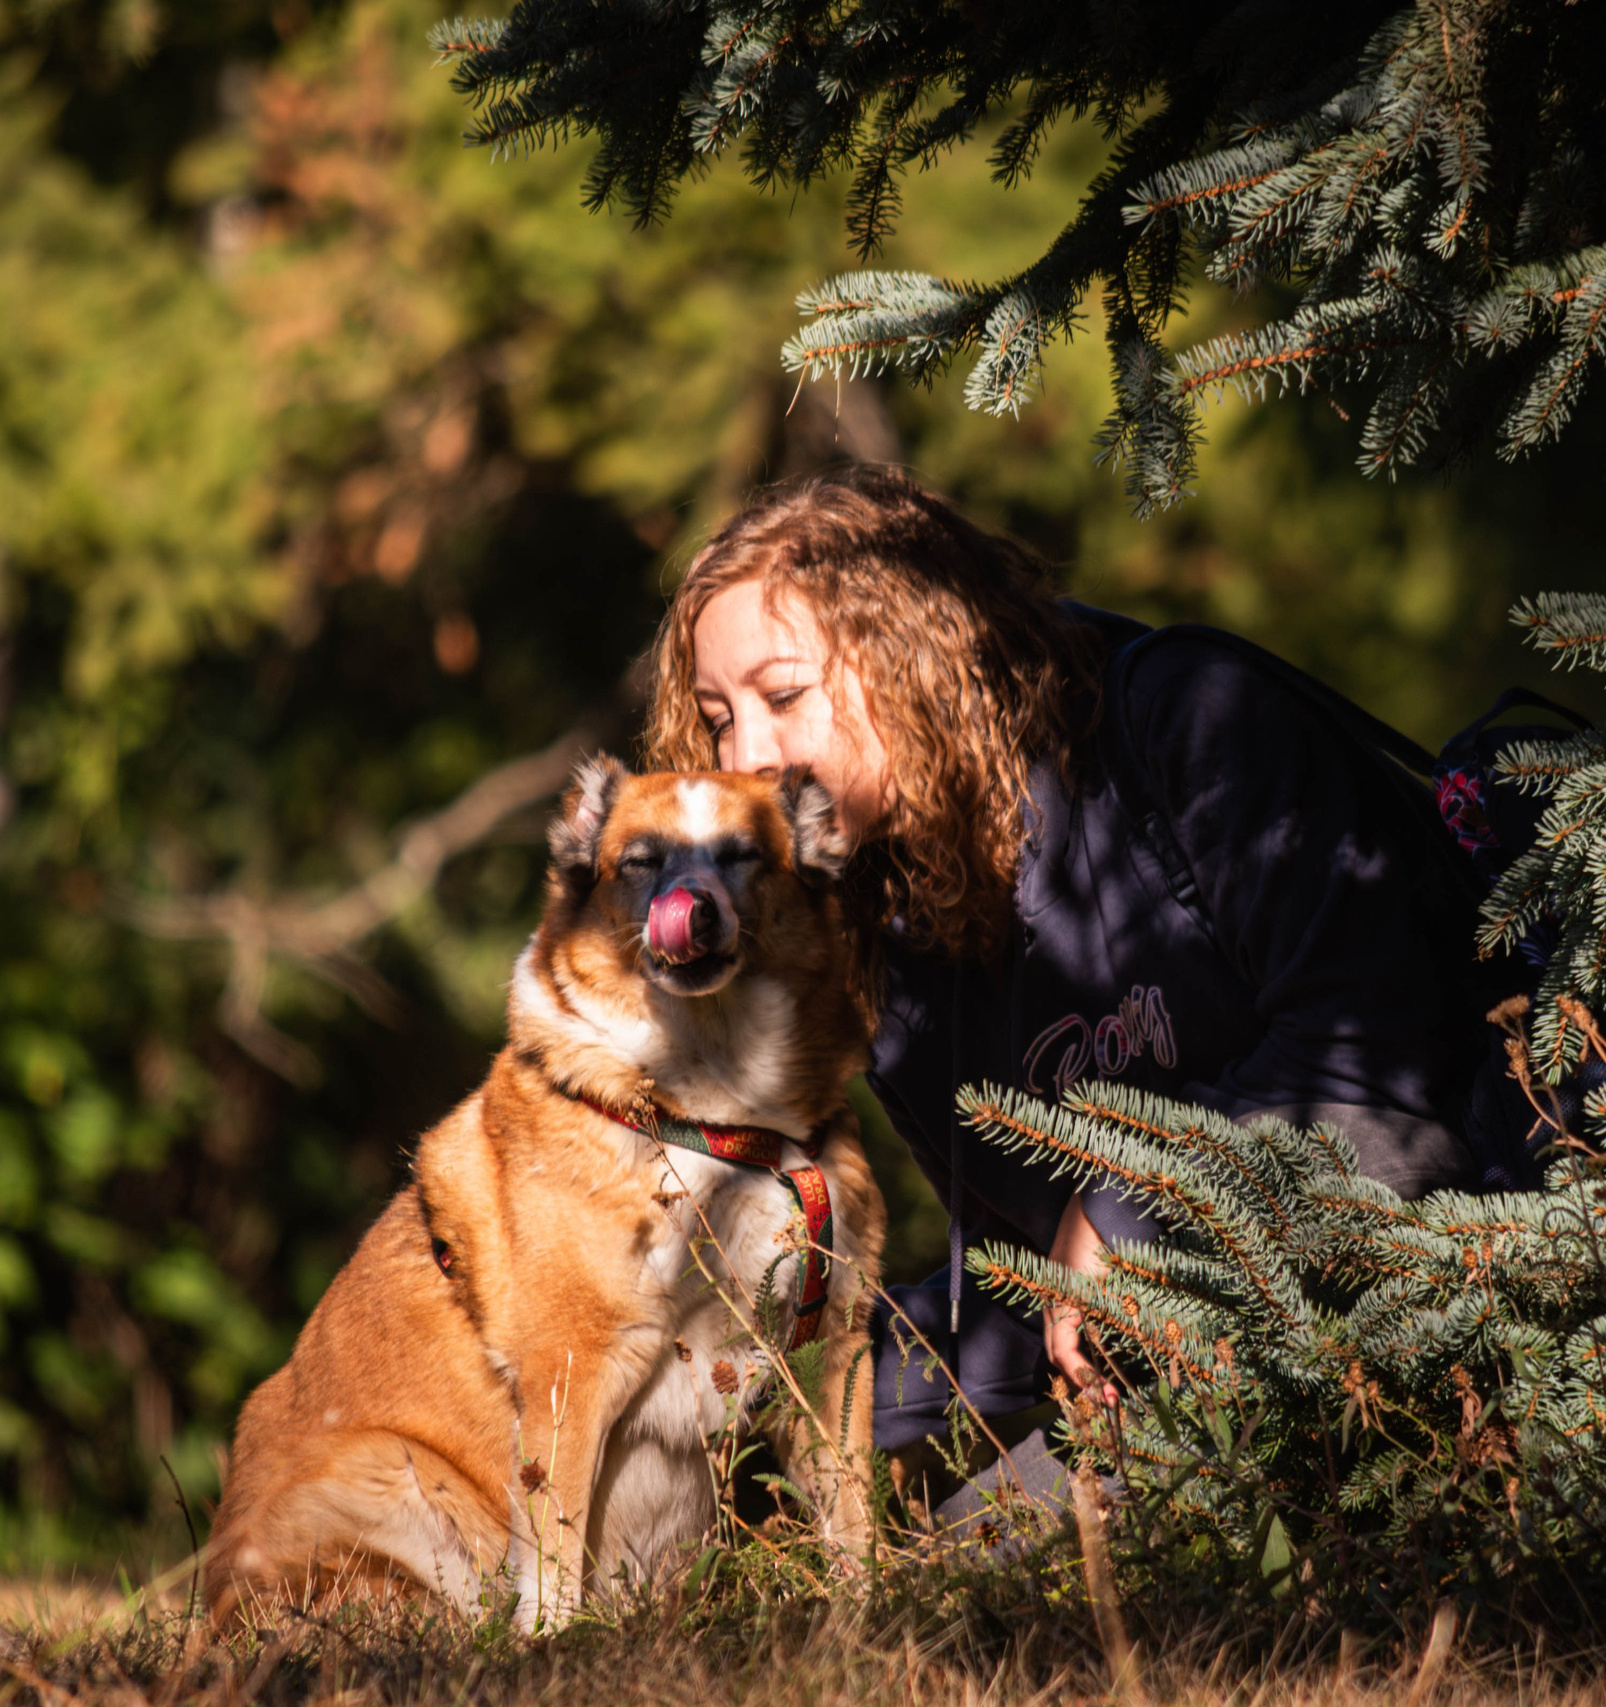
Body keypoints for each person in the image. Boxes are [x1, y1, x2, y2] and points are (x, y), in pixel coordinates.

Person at [643, 464, 1515, 1470]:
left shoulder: (1186, 723)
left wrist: (1133, 1204)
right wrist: (752, 1398)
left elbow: (1382, 1057)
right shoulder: (877, 931)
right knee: (935, 1598)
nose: (740, 755)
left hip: (1454, 1283)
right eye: (716, 716)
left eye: (783, 695)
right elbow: (1020, 1285)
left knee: (986, 1613)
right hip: (1160, 1367)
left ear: (916, 653)